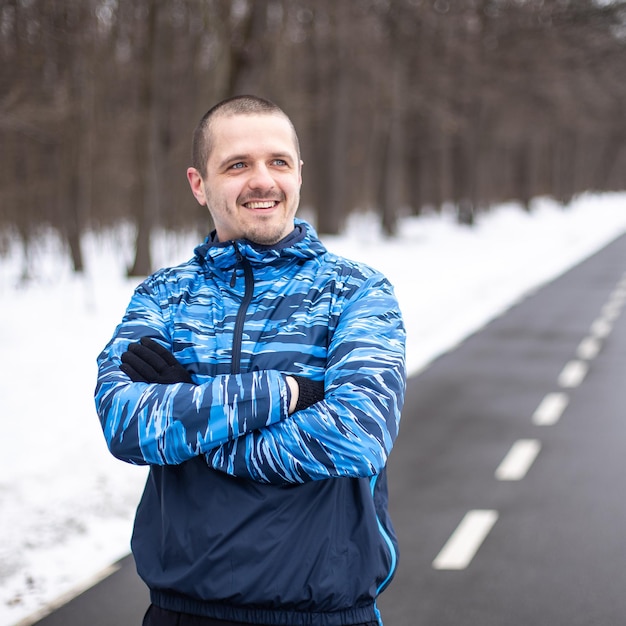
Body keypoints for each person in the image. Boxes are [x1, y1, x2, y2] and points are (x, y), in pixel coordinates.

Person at [95, 95, 406, 626]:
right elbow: (125, 424)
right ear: (199, 184)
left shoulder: (355, 293)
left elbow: (357, 435)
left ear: (299, 174)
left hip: (324, 615)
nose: (262, 180)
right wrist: (282, 394)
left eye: (278, 162)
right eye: (237, 165)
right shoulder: (163, 297)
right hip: (178, 612)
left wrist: (196, 432)